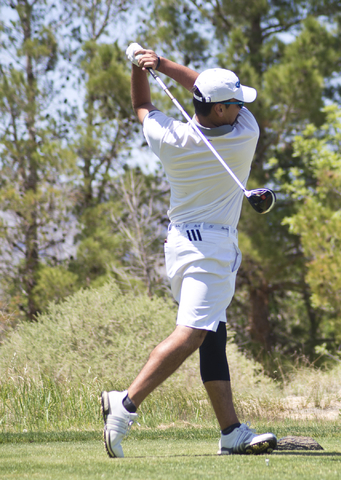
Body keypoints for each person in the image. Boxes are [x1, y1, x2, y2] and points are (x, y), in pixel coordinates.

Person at [100, 43, 277, 458]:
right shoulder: (244, 134)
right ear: (220, 111)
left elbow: (143, 103)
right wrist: (160, 63)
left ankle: (231, 431)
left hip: (178, 244)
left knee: (213, 335)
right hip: (209, 250)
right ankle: (123, 406)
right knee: (192, 332)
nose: (240, 108)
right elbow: (198, 84)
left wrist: (141, 68)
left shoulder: (169, 137)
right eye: (234, 103)